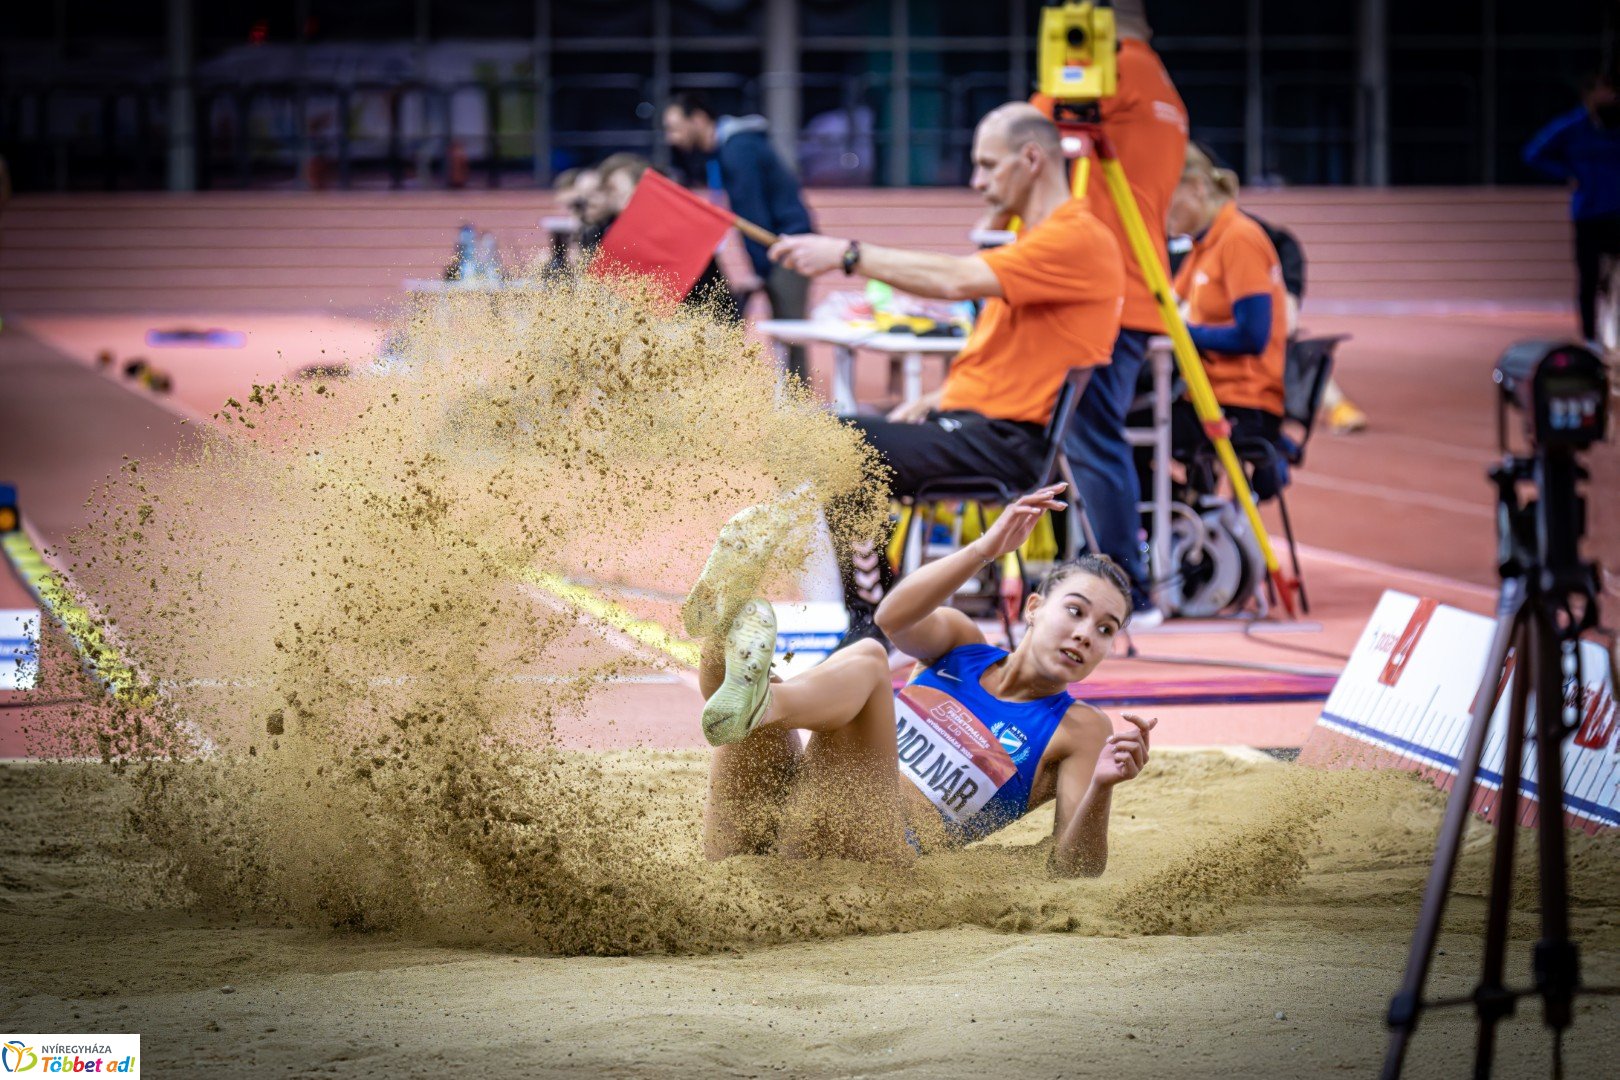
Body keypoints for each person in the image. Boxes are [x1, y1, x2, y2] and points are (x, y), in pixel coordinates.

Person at [769, 103, 1124, 649]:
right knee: (834, 438)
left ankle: (872, 623)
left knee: (834, 443)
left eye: (988, 165)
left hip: (1003, 443)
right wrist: (941, 396)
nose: (976, 182)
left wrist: (847, 254)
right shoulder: (1037, 237)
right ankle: (880, 615)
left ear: (1032, 159)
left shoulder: (1075, 237)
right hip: (977, 426)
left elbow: (956, 280)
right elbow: (1014, 352)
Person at [689, 483, 1154, 873]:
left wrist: (1103, 786)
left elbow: (1074, 870)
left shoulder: (1081, 728)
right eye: (1075, 610)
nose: (1084, 634)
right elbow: (893, 617)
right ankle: (720, 614)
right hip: (784, 813)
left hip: (874, 855)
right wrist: (984, 548)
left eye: (1105, 629)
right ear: (1033, 608)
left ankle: (766, 704)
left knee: (870, 657)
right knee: (724, 660)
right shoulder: (961, 644)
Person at [1030, 0, 1187, 623]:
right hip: (1138, 282)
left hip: (1105, 285)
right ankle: (1118, 575)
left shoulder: (1115, 70)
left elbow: (1029, 128)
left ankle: (1126, 586)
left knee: (1092, 438)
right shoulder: (1162, 84)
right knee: (1096, 435)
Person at [1165, 143, 1289, 498]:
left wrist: (1184, 335)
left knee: (1112, 431)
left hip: (1241, 402)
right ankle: (1190, 509)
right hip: (1206, 394)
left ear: (1196, 188)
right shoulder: (1203, 246)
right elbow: (1165, 307)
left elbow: (1253, 336)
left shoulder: (1239, 238)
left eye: (1167, 196)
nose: (1162, 211)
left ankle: (1186, 512)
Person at [663, 92, 816, 378]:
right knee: (786, 336)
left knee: (790, 336)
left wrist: (760, 268)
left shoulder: (737, 150)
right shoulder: (729, 150)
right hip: (781, 248)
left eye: (674, 127)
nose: (671, 138)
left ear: (698, 119)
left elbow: (752, 215)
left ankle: (799, 410)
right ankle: (793, 403)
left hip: (787, 249)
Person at [1523, 71, 1620, 347]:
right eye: (1605, 90)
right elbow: (1533, 153)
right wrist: (1566, 172)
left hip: (1618, 212)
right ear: (1590, 95)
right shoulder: (1572, 127)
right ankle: (1591, 339)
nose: (1611, 96)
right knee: (1588, 278)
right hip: (1588, 214)